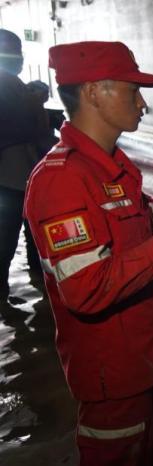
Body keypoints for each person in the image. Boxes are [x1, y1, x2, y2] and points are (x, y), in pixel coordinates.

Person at [23, 41, 153, 465]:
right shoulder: (62, 181)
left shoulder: (114, 168)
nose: (142, 103)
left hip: (144, 361)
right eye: (132, 90)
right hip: (112, 377)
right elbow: (86, 290)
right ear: (94, 91)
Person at [0, 29, 46, 302]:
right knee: (6, 246)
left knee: (36, 245)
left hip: (27, 180)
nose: (18, 57)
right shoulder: (8, 87)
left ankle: (42, 306)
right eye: (13, 51)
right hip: (9, 183)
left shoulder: (16, 85)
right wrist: (32, 105)